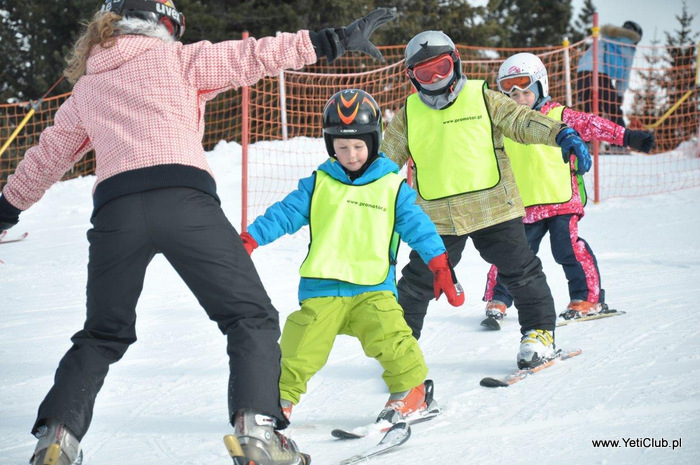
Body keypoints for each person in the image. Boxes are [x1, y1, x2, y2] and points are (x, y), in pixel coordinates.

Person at [0, 1, 397, 464]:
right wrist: (331, 41)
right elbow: (253, 57)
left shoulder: (87, 88)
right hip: (185, 201)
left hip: (117, 213)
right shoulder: (179, 60)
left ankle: (57, 439)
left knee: (102, 333)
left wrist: (6, 210)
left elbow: (46, 159)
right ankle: (258, 434)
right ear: (162, 26)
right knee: (249, 317)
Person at [240, 89, 464, 426]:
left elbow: (420, 227)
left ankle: (412, 391)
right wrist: (250, 239)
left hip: (372, 287)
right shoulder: (318, 183)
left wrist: (439, 263)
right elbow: (283, 214)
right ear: (331, 146)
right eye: (341, 147)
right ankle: (278, 401)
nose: (351, 154)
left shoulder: (392, 186)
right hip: (322, 288)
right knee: (298, 347)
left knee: (392, 338)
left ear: (373, 143)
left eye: (358, 146)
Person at [380, 30, 593, 369]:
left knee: (519, 270)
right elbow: (385, 159)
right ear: (412, 77)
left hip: (492, 207)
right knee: (418, 280)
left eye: (442, 68)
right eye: (425, 73)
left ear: (456, 63)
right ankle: (401, 348)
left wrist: (559, 132)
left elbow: (521, 121)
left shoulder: (483, 97)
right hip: (437, 216)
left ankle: (538, 334)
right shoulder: (409, 114)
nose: (435, 79)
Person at [482, 52, 655, 326]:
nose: (519, 100)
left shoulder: (558, 115)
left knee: (567, 249)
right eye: (512, 95)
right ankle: (499, 299)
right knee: (513, 253)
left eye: (525, 93)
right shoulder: (505, 125)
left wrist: (627, 137)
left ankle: (586, 297)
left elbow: (593, 125)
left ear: (541, 88)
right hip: (523, 204)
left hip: (561, 200)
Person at [576, 21, 643, 128]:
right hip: (598, 76)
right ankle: (620, 141)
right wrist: (619, 96)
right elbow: (624, 76)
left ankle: (587, 142)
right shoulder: (628, 45)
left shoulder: (606, 38)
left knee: (592, 111)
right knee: (613, 110)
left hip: (581, 74)